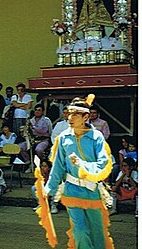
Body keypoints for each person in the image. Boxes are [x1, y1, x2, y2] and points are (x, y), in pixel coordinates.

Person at [44, 94, 114, 248]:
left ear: (85, 116)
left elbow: (103, 164)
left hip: (92, 190)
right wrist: (49, 188)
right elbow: (58, 166)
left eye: (75, 114)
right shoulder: (63, 138)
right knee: (79, 231)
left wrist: (82, 165)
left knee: (97, 231)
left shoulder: (97, 137)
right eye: (69, 113)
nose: (70, 117)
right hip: (71, 190)